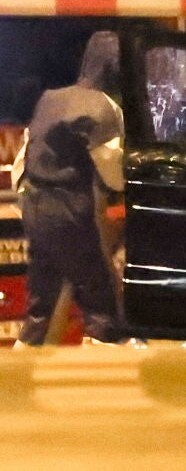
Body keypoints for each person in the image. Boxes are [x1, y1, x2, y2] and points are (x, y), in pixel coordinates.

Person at [12, 31, 126, 347]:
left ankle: (19, 368)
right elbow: (114, 172)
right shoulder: (103, 107)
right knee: (100, 303)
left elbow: (23, 157)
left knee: (41, 307)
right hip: (71, 208)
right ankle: (100, 365)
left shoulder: (49, 99)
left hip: (35, 205)